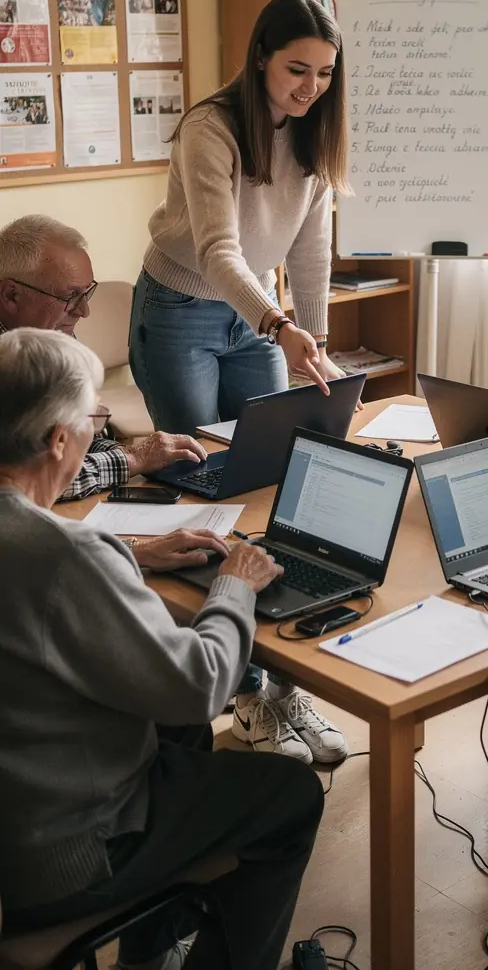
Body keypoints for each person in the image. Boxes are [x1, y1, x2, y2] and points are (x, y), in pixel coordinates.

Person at [0, 327, 324, 970]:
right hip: (59, 856)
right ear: (58, 439)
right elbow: (201, 683)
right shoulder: (68, 556)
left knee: (179, 732)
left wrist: (132, 554)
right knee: (291, 795)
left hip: (21, 806)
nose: (97, 430)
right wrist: (234, 586)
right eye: (94, 419)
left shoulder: (54, 550)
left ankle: (149, 954)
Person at [129, 0, 350, 765]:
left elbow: (311, 251)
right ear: (260, 58)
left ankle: (285, 685)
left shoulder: (315, 132)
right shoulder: (210, 128)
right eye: (296, 69)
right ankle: (245, 692)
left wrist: (316, 342)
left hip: (259, 318)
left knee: (272, 479)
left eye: (324, 73)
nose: (310, 87)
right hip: (183, 310)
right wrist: (282, 328)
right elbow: (219, 252)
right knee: (204, 488)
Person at [0, 214, 209, 505]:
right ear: (11, 295)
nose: (84, 311)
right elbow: (26, 481)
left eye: (87, 293)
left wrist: (134, 455)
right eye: (71, 296)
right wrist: (132, 458)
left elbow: (77, 436)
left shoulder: (51, 334)